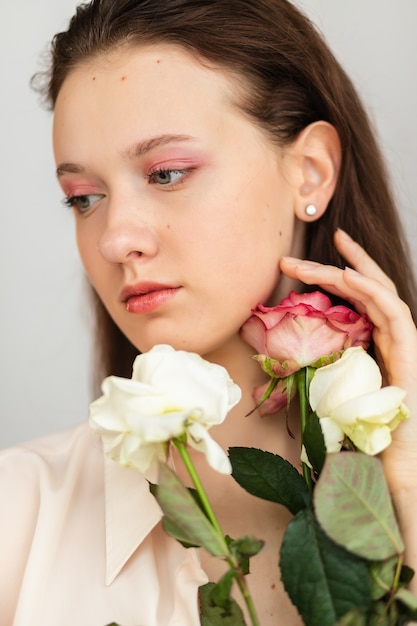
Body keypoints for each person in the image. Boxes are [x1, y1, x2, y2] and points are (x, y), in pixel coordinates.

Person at [1, 0, 417, 624]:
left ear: (310, 173)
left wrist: (408, 497)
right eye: (84, 199)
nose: (116, 240)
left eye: (167, 173)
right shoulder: (17, 515)